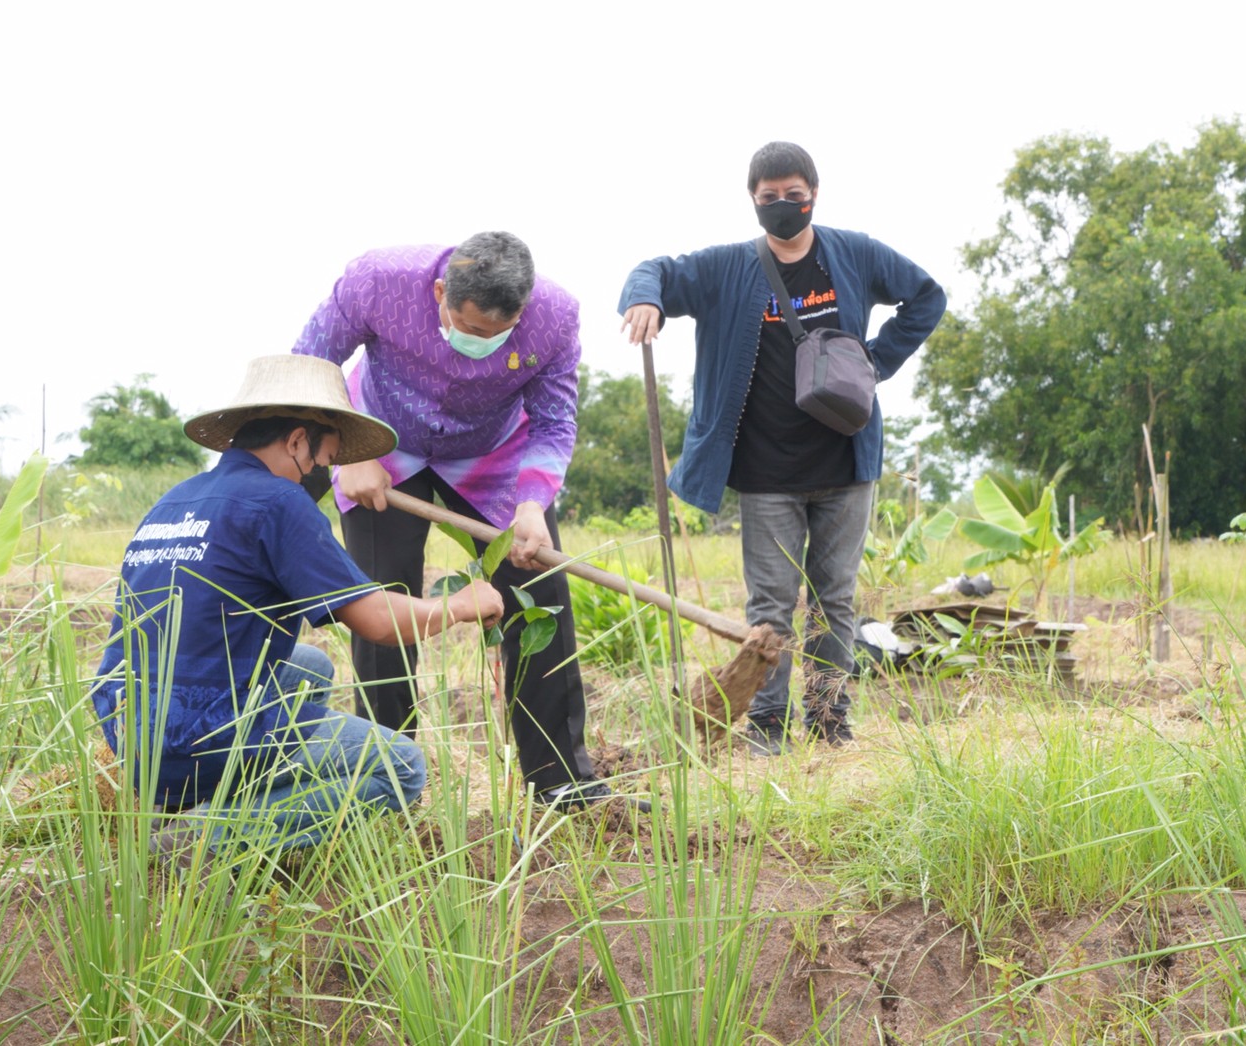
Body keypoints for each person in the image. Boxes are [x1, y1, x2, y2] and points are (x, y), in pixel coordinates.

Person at [91, 354, 503, 855]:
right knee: (400, 766)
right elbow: (376, 621)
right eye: (321, 462)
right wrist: (459, 605)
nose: (317, 476)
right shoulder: (278, 502)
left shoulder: (175, 500)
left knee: (310, 667)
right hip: (198, 734)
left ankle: (181, 801)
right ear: (295, 441)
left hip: (129, 731)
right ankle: (200, 839)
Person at [293, 232, 643, 811]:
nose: (478, 344)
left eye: (497, 333)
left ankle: (561, 782)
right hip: (382, 447)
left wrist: (532, 503)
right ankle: (385, 781)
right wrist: (350, 450)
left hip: (492, 457)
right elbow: (308, 362)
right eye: (470, 327)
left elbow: (554, 421)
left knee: (539, 597)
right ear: (440, 293)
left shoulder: (555, 317)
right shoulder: (377, 281)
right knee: (383, 598)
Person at [619, 142, 946, 757]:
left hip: (845, 464)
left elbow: (927, 296)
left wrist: (875, 362)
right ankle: (767, 726)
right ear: (753, 200)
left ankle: (828, 722)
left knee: (834, 601)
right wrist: (645, 297)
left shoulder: (854, 253)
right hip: (766, 473)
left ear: (813, 195)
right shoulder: (727, 267)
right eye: (768, 197)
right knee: (770, 605)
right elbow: (656, 269)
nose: (781, 206)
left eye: (793, 195)